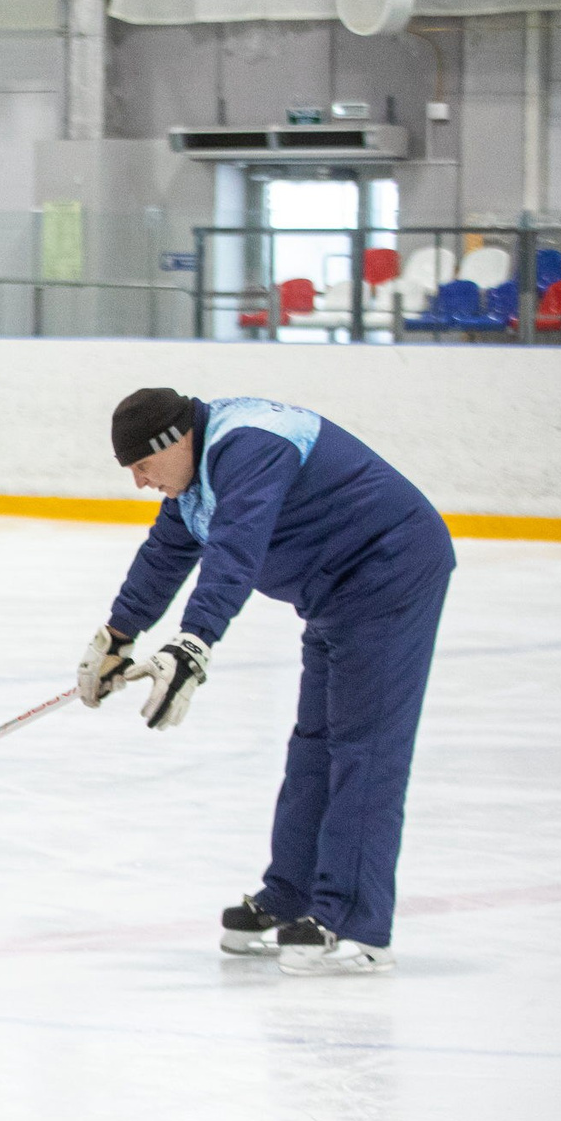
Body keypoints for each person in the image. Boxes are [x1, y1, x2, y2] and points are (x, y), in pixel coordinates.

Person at [78, 388, 455, 976]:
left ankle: (356, 923)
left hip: (389, 573)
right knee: (314, 745)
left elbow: (236, 547)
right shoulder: (196, 475)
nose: (140, 482)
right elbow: (167, 552)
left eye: (144, 465)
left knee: (365, 747)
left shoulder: (251, 447)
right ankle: (292, 895)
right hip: (332, 593)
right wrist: (117, 636)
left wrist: (195, 640)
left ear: (175, 441)